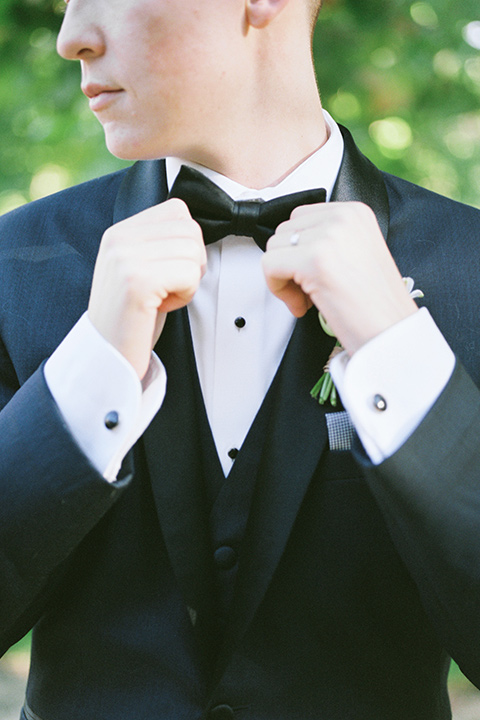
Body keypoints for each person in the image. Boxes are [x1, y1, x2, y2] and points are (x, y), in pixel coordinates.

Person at [0, 0, 480, 718]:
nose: (72, 37)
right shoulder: (15, 265)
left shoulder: (469, 270)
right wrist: (91, 375)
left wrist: (398, 357)